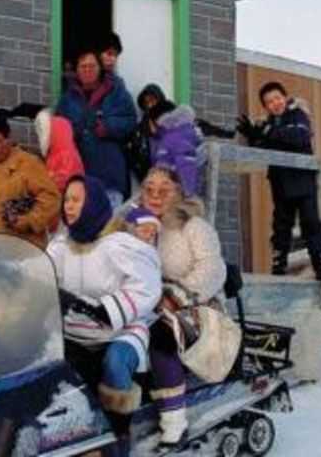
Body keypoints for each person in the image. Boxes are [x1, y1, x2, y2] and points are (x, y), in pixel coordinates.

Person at [48, 175, 161, 456]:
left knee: (115, 362)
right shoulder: (61, 246)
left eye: (76, 200)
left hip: (121, 330)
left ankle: (119, 436)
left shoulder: (119, 244)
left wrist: (104, 308)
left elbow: (146, 285)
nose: (68, 206)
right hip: (75, 330)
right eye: (66, 200)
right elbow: (40, 273)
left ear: (93, 203)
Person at [140, 167, 227, 447]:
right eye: (149, 189)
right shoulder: (139, 226)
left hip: (197, 305)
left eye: (163, 189)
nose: (155, 195)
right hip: (151, 303)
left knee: (159, 335)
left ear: (177, 193)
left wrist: (174, 296)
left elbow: (213, 270)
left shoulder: (194, 227)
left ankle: (175, 421)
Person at [236, 81, 321, 280]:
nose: (275, 103)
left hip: (303, 180)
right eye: (269, 102)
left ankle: (320, 262)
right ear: (265, 106)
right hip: (281, 182)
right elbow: (263, 148)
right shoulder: (268, 123)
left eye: (277, 98)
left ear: (285, 98)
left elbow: (299, 137)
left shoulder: (298, 115)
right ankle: (279, 264)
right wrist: (253, 135)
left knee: (310, 221)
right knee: (281, 225)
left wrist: (268, 131)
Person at [56, 49, 137, 205]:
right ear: (76, 70)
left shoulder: (116, 92)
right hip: (78, 174)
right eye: (83, 66)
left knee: (109, 226)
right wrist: (75, 131)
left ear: (100, 68)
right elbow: (60, 129)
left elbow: (130, 121)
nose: (87, 70)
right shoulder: (67, 98)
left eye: (92, 66)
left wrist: (108, 127)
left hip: (110, 174)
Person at [0, 115, 61, 249]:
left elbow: (52, 199)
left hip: (25, 248)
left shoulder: (29, 163)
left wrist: (29, 221)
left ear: (9, 138)